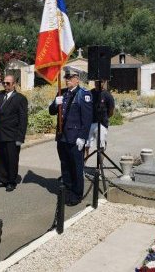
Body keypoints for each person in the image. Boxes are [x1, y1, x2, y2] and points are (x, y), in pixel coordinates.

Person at [49, 67, 93, 206]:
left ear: (77, 79)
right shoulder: (61, 92)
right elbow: (51, 111)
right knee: (65, 166)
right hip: (62, 136)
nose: (67, 80)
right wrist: (56, 103)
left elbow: (87, 118)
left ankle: (76, 193)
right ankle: (67, 191)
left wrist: (83, 137)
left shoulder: (83, 94)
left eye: (70, 78)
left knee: (76, 167)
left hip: (75, 138)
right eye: (66, 78)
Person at [0, 75, 28, 192]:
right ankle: (2, 179)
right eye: (4, 83)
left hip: (12, 134)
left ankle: (11, 181)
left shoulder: (20, 98)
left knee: (11, 159)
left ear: (14, 84)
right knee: (0, 158)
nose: (5, 85)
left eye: (8, 83)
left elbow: (23, 119)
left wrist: (20, 137)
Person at [84, 80, 115, 157]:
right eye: (96, 82)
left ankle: (100, 166)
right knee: (85, 145)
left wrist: (104, 118)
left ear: (104, 82)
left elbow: (111, 111)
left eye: (100, 82)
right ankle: (82, 165)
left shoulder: (108, 95)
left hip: (102, 124)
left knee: (101, 146)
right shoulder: (89, 93)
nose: (98, 83)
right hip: (89, 123)